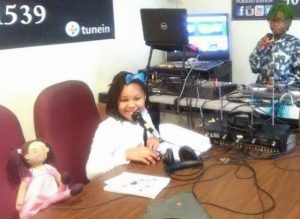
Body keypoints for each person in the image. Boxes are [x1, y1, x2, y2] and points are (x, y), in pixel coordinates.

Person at [86, 71, 161, 180]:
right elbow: (91, 172)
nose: (131, 105)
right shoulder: (108, 128)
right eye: (124, 100)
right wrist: (126, 154)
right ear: (115, 101)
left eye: (137, 99)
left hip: (141, 174)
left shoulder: (143, 113)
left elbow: (153, 133)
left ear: (144, 97)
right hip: (116, 185)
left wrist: (154, 139)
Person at [10, 140, 83, 219]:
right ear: (27, 156)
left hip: (52, 192)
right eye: (35, 151)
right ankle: (69, 193)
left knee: (55, 195)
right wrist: (20, 201)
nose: (40, 152)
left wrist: (62, 182)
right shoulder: (30, 173)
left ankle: (65, 187)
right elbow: (23, 187)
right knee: (52, 199)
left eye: (43, 149)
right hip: (38, 198)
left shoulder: (48, 167)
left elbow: (58, 176)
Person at [249, 3, 300, 85]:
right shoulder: (265, 40)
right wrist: (260, 49)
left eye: (279, 20)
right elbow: (254, 68)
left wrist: (281, 85)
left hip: (286, 93)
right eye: (272, 20)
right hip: (263, 91)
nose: (275, 23)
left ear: (289, 22)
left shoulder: (295, 44)